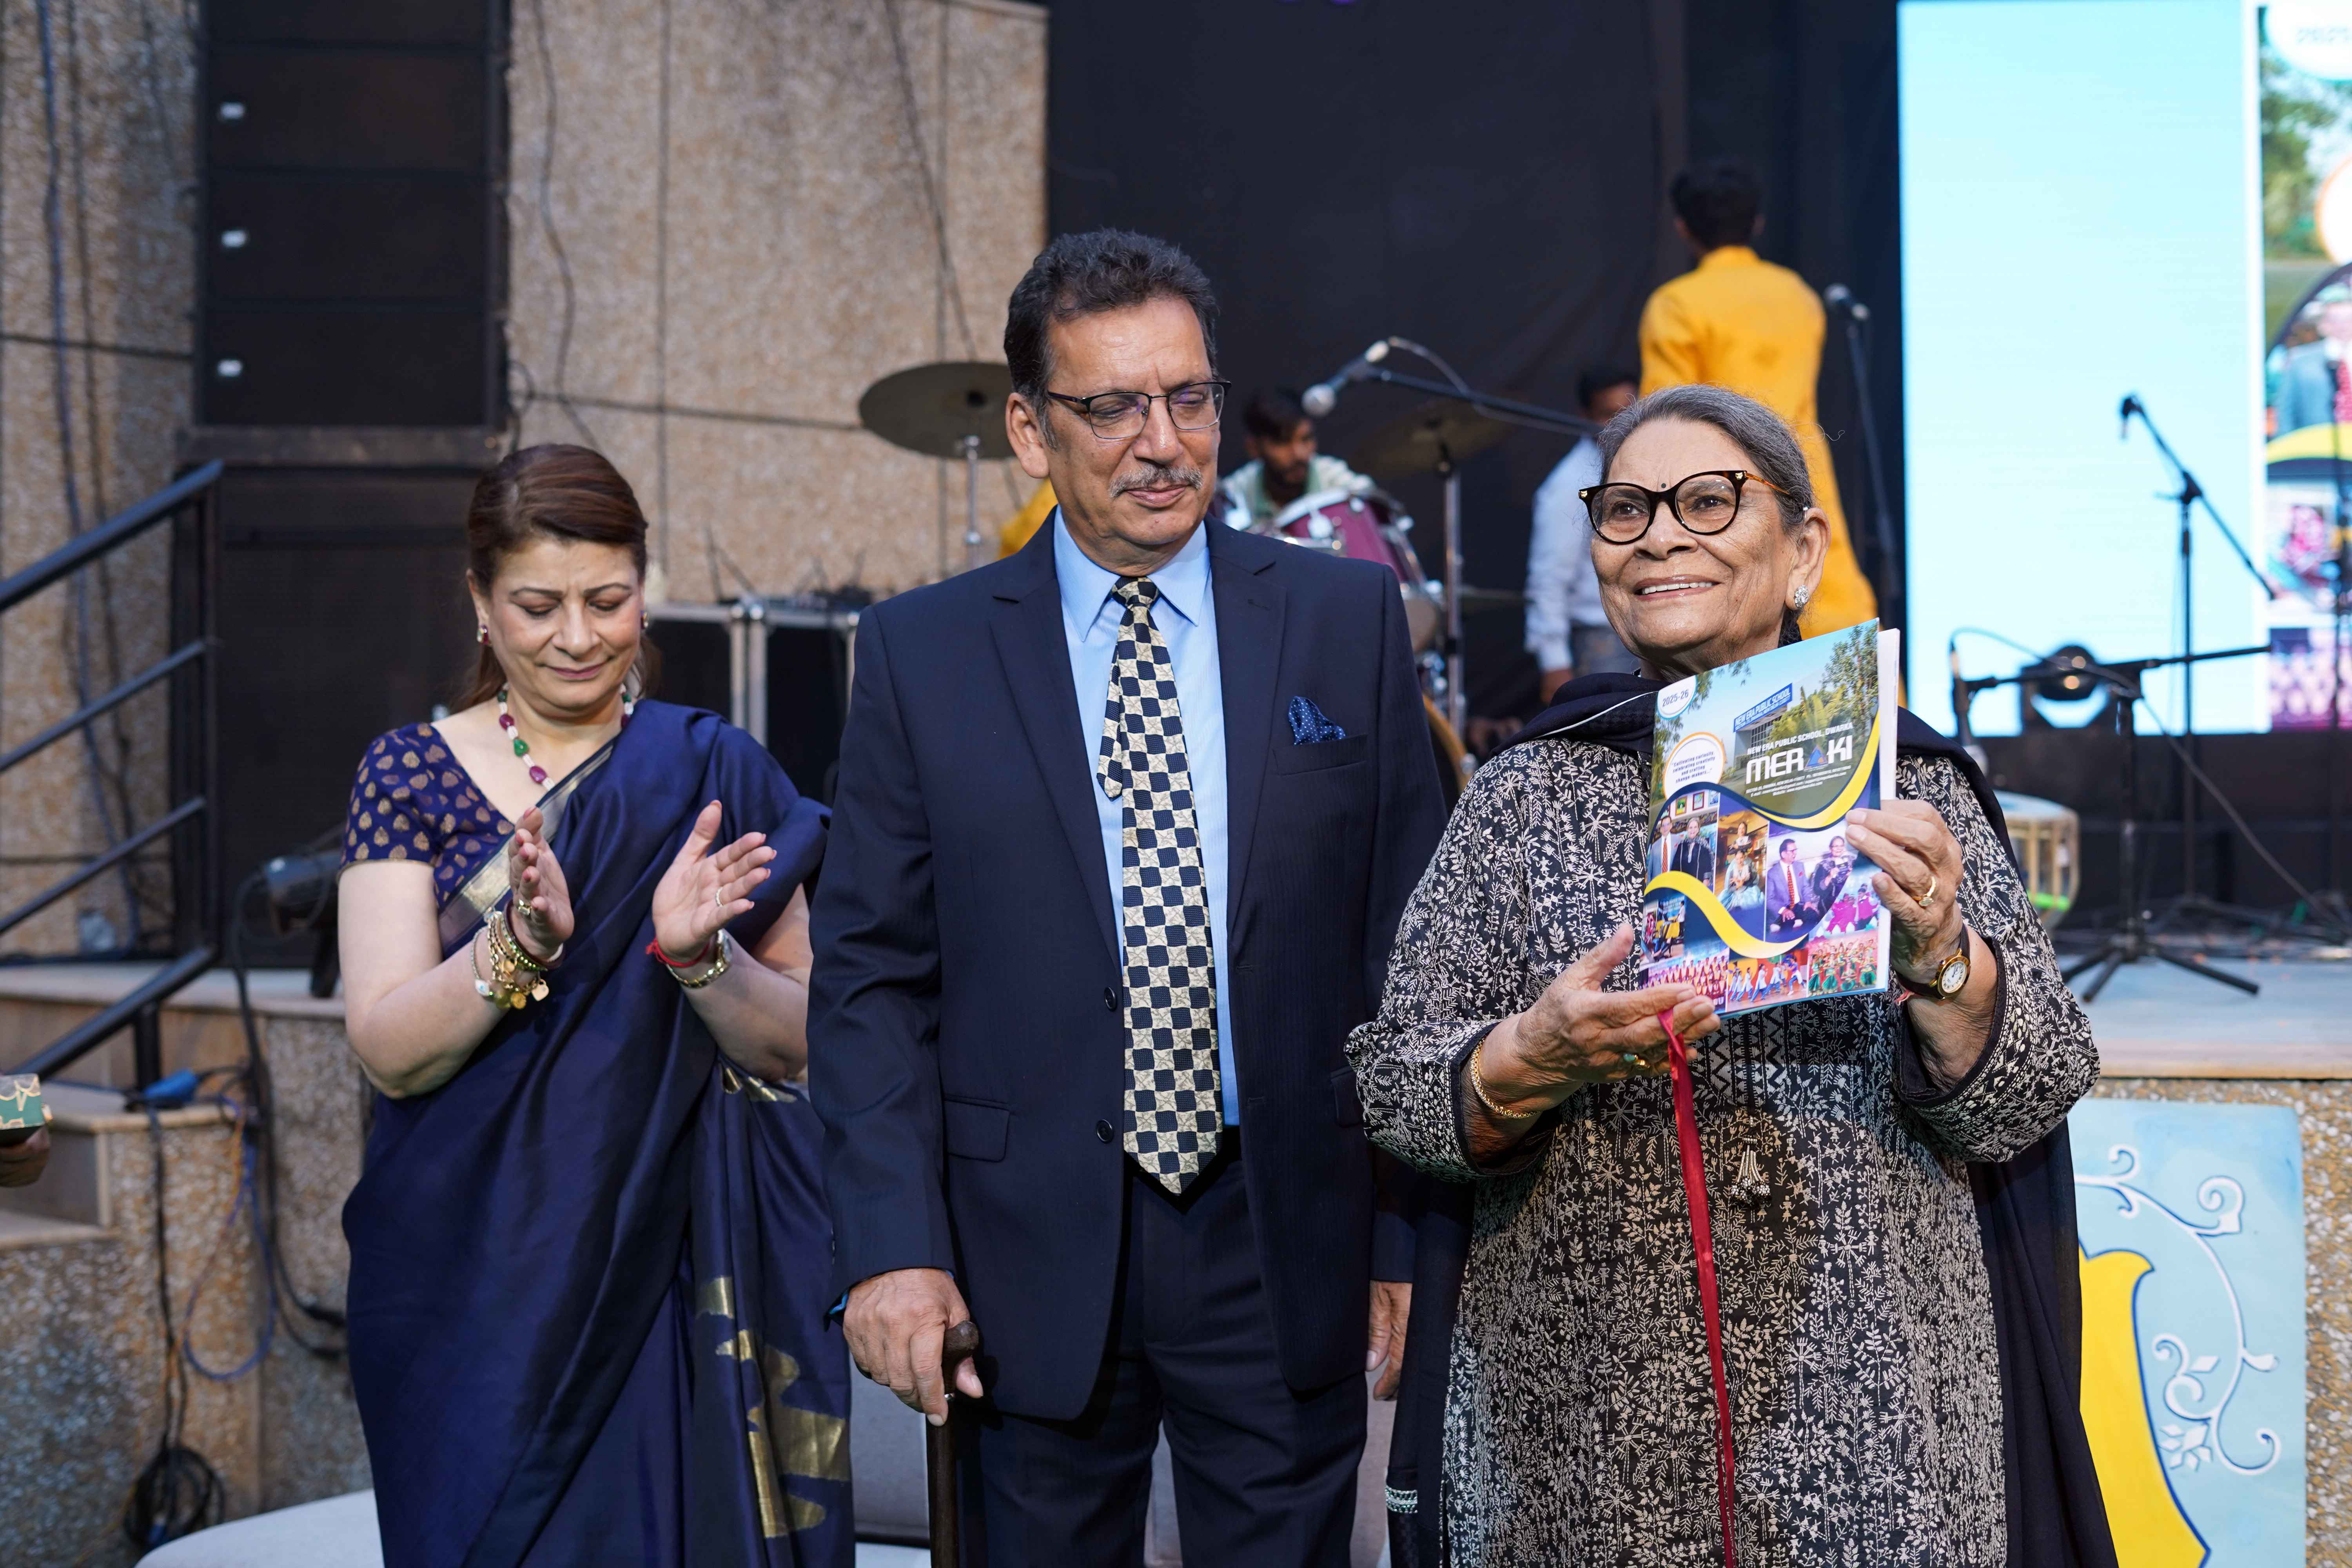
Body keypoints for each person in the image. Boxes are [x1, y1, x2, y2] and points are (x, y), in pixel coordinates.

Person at [1353, 383, 2111, 1566]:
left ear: (1802, 549)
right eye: (1626, 509)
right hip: (1579, 1433)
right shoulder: (1520, 796)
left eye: (1707, 501)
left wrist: (1944, 962)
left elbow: (2036, 1087)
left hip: (1871, 1417)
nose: (1660, 535)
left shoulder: (1911, 788)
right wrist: (1524, 1059)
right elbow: (1395, 1085)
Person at [809, 229, 1445, 1566]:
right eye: (1112, 408)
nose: (1164, 443)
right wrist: (890, 1246)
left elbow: (1413, 956)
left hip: (1284, 1235)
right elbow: (870, 979)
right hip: (1017, 1257)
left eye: (1189, 397)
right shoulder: (923, 654)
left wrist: (1401, 1234)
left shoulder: (1345, 620)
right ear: (1031, 431)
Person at [336, 444, 847, 1568]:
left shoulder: (713, 772)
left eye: (606, 600)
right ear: (480, 602)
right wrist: (516, 946)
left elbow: (807, 1042)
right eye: (537, 606)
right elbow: (388, 1050)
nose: (577, 636)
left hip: (668, 1264)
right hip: (466, 1286)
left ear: (643, 590)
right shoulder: (407, 774)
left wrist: (700, 958)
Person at [1641, 158, 1877, 638]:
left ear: (1683, 228)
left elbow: (1663, 430)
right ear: (1758, 223)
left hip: (1725, 495)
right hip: (1806, 477)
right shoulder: (1798, 296)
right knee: (1833, 614)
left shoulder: (1677, 304)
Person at [1525, 368, 1643, 697]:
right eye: (1608, 414)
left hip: (1645, 629)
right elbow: (1548, 578)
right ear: (1585, 416)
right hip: (1600, 640)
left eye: (1629, 410)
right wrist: (1554, 662)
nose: (1621, 423)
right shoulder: (1568, 484)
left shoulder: (1638, 465)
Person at [1215, 385, 1377, 532]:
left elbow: (1373, 506)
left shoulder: (1335, 478)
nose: (1299, 454)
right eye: (1283, 443)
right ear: (1254, 448)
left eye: (1306, 439)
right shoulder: (1236, 493)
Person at [2271, 290, 2352, 437]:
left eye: (2348, 319)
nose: (2344, 326)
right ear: (2323, 325)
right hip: (2316, 443)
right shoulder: (2300, 360)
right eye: (2336, 320)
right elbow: (2286, 411)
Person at [1765, 835, 1819, 938]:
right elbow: (1769, 899)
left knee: (1814, 916)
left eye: (1796, 850)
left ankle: (1801, 940)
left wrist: (1808, 901)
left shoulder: (1800, 866)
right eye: (1792, 851)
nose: (1795, 853)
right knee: (1787, 927)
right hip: (1784, 907)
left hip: (1799, 905)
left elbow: (1805, 887)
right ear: (1783, 854)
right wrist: (1783, 911)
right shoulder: (1772, 874)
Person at [1670, 821, 1715, 885]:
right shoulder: (1682, 845)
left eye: (1695, 827)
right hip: (1682, 884)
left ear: (1698, 830)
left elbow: (1708, 865)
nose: (1693, 830)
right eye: (1691, 828)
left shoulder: (1703, 844)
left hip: (1698, 884)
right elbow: (1676, 865)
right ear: (1687, 830)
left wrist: (1706, 881)